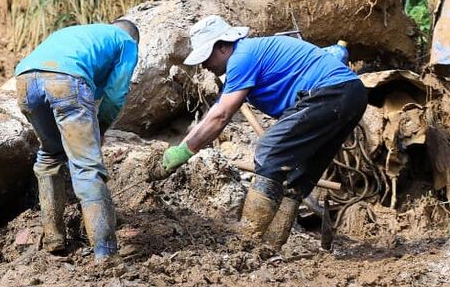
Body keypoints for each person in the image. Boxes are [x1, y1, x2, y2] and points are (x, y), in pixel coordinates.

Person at [152, 15, 367, 248]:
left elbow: (221, 115)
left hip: (330, 92)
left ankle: (246, 237)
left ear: (223, 46)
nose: (204, 65)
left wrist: (181, 153)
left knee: (269, 152)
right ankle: (271, 245)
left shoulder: (242, 57)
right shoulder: (252, 54)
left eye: (206, 57)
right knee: (296, 175)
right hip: (352, 94)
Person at [15, 18, 140, 260]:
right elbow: (115, 94)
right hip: (65, 81)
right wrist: (100, 129)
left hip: (25, 81)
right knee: (86, 165)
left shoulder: (80, 34)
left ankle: (53, 236)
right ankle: (106, 252)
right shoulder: (127, 42)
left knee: (50, 154)